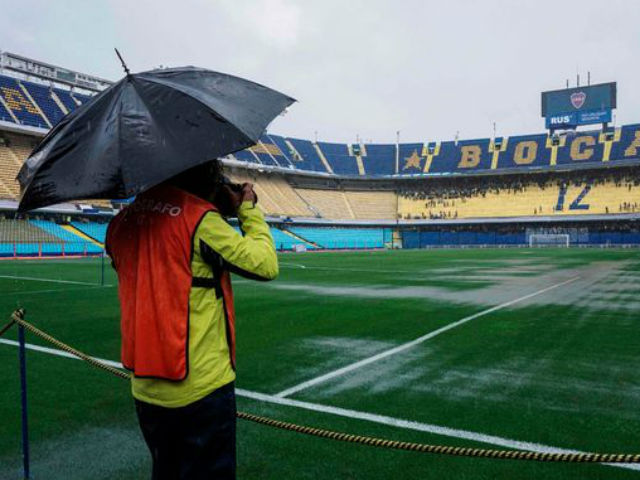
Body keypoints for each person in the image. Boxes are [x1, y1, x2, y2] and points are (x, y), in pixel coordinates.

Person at [105, 160, 278, 480]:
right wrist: (248, 210)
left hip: (145, 388)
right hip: (200, 389)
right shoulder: (199, 220)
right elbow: (265, 264)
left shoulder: (121, 222)